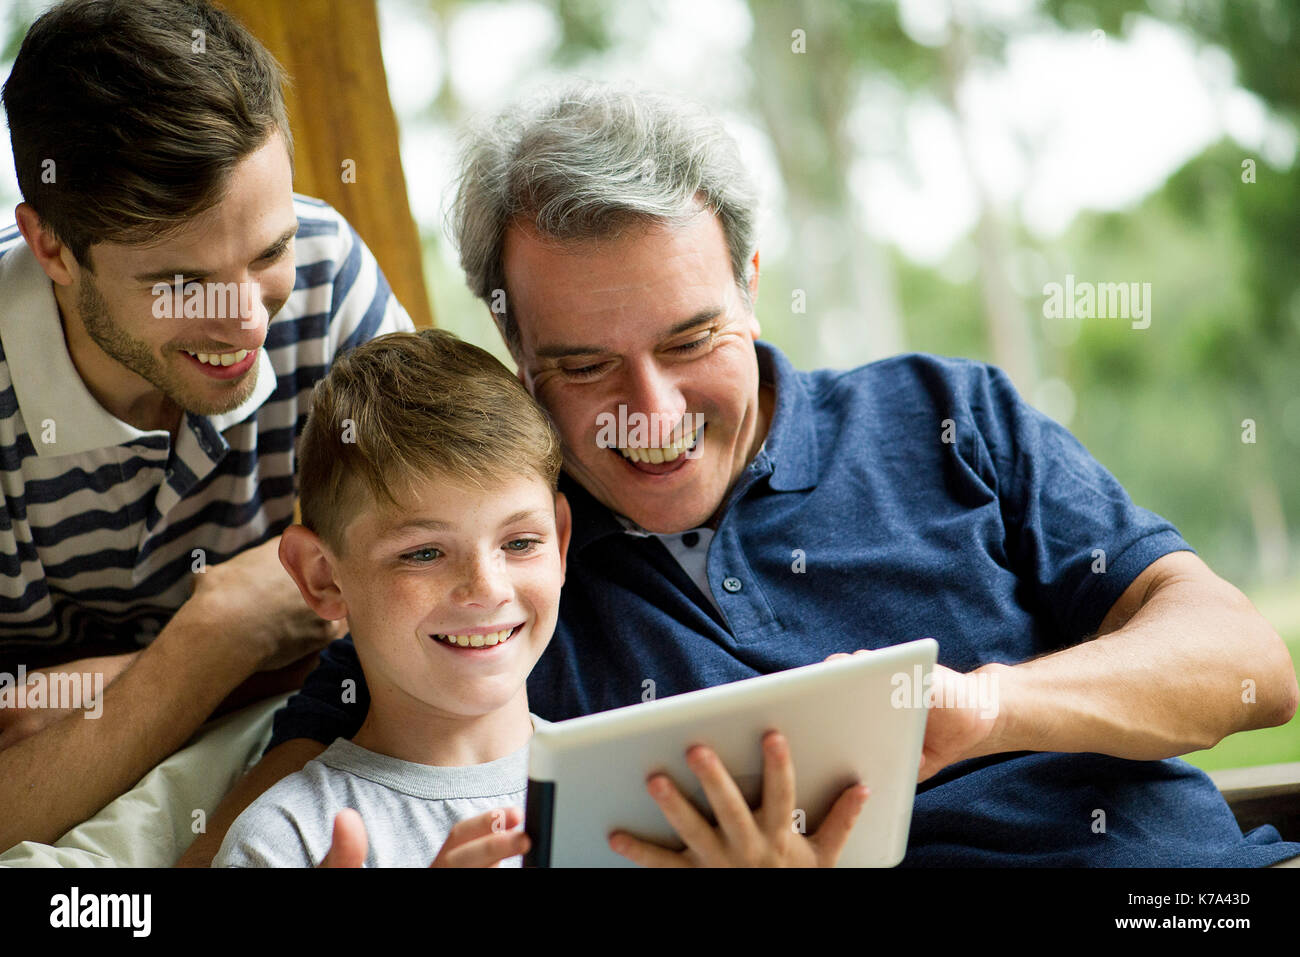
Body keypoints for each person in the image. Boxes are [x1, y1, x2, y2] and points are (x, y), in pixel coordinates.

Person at [186, 83, 1299, 868]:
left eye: (687, 341)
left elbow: (1249, 669)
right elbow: (277, 815)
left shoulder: (944, 417)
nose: (650, 412)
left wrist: (988, 708)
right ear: (511, 342)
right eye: (581, 365)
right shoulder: (495, 573)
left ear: (751, 281)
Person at [212, 328, 868, 867]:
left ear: (559, 542)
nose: (486, 588)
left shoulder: (654, 801)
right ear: (322, 575)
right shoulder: (286, 838)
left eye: (519, 542)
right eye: (422, 552)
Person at [0, 0, 411, 852]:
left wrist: (161, 678)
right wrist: (219, 637)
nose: (246, 323)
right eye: (180, 282)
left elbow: (437, 576)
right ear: (50, 247)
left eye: (266, 254)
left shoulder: (328, 274)